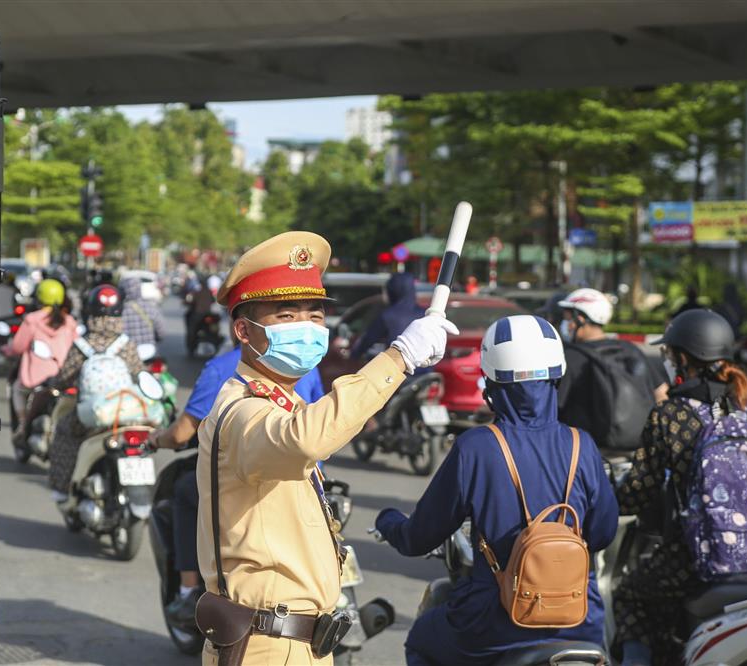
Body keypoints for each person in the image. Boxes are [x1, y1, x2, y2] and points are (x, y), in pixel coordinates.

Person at [196, 231, 457, 666]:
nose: (307, 326)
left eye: (315, 314)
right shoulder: (241, 413)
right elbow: (306, 437)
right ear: (243, 329)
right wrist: (399, 357)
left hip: (300, 642)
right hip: (266, 644)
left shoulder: (284, 402)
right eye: (287, 315)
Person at [376, 314, 619, 665]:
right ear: (556, 374)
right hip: (580, 621)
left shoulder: (476, 447)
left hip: (494, 623)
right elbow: (602, 533)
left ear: (490, 381)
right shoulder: (583, 444)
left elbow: (419, 538)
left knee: (421, 641)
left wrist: (389, 523)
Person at [612, 309, 747, 666]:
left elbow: (639, 492)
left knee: (630, 595)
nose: (667, 361)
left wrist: (607, 497)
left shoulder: (671, 414)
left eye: (668, 354)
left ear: (683, 357)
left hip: (698, 559)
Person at [151, 334, 325, 627]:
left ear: (241, 327)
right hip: (313, 481)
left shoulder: (223, 369)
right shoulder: (309, 365)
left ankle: (188, 589)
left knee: (183, 490)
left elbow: (182, 433)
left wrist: (157, 440)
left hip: (247, 478)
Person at [47, 284, 143, 503]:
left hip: (91, 416)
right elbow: (140, 374)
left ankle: (62, 489)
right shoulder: (126, 345)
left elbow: (64, 377)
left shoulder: (82, 345)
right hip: (127, 413)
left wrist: (55, 385)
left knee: (64, 432)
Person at [556, 288, 659, 449]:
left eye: (567, 319)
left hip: (587, 451)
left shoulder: (571, 357)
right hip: (637, 448)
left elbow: (554, 406)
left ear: (581, 319)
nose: (565, 325)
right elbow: (661, 393)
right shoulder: (631, 350)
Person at [3, 278, 77, 432]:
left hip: (34, 380)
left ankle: (23, 424)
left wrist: (5, 350)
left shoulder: (32, 320)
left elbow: (17, 347)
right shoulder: (69, 322)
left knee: (17, 388)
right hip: (63, 378)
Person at [350, 271, 424, 360]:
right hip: (428, 370)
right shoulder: (424, 314)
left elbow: (368, 340)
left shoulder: (388, 316)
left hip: (399, 370)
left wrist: (354, 354)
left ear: (392, 291)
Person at [120, 275, 165, 357]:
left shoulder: (119, 310)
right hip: (149, 351)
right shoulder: (151, 307)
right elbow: (161, 331)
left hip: (127, 352)